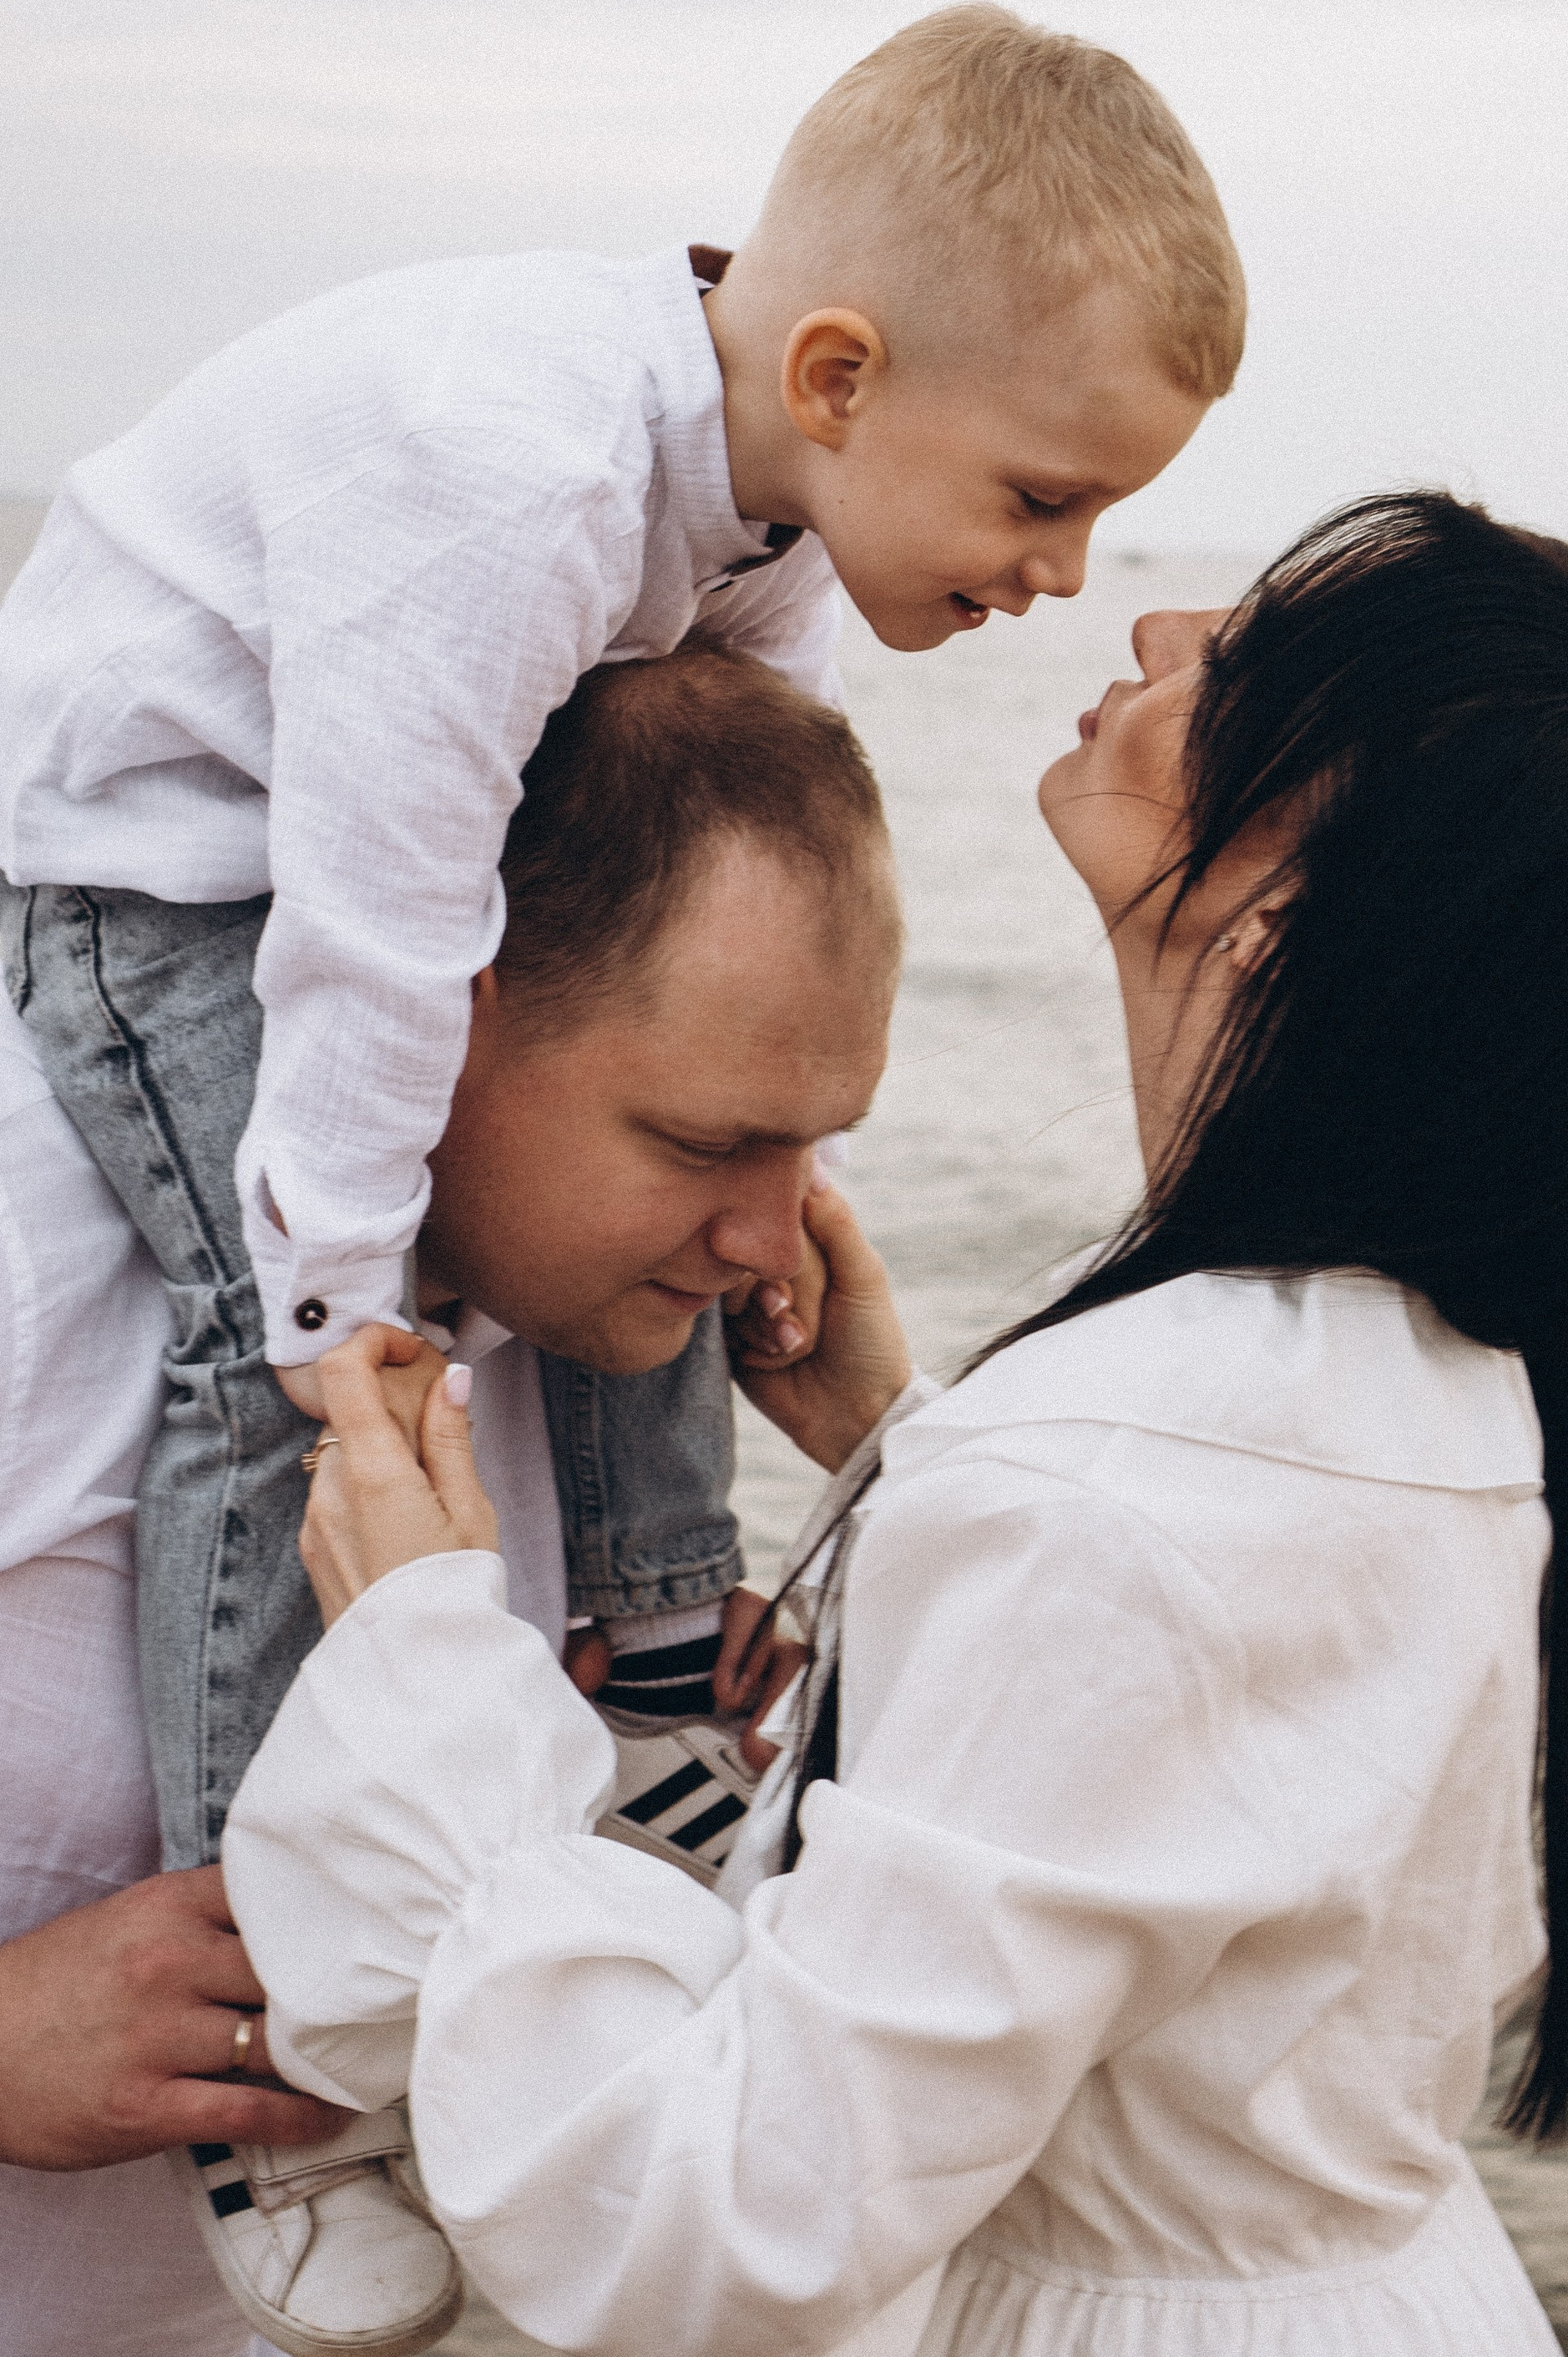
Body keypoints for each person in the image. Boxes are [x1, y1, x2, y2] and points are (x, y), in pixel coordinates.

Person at [220, 489, 1568, 2357]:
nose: (1160, 627)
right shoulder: (1435, 1373)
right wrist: (903, 1442)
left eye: (1254, 657)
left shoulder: (1117, 1481)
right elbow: (1197, 1753)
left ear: (1280, 917)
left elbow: (711, 2231)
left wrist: (425, 1672)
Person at [0, 639, 903, 2357]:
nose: (773, 1239)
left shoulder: (582, 1343)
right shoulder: (29, 1241)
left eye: (814, 1145)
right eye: (708, 1145)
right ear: (439, 1014)